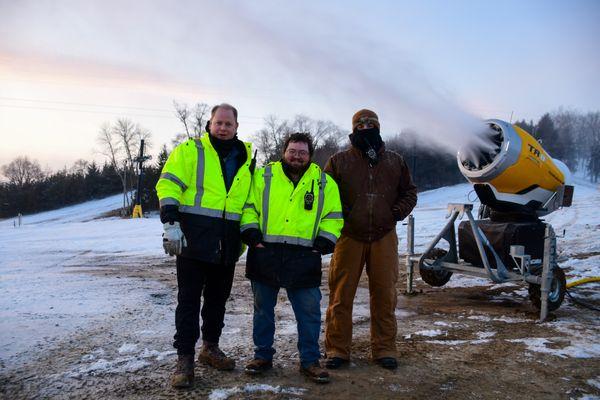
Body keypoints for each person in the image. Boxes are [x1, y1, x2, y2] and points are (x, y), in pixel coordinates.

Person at [156, 103, 254, 389]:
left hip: (227, 242)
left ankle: (210, 348)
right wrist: (171, 222)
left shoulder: (246, 157)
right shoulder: (190, 150)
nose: (223, 128)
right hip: (193, 240)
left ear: (237, 127)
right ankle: (184, 358)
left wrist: (247, 233)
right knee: (188, 300)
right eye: (218, 123)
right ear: (209, 124)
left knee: (217, 301)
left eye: (229, 124)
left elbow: (247, 200)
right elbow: (168, 184)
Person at [240, 133, 343, 383]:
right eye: (292, 151)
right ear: (283, 151)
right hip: (266, 252)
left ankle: (310, 361)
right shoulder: (263, 175)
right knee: (262, 310)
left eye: (302, 152)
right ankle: (262, 356)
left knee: (309, 313)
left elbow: (334, 214)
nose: (297, 156)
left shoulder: (323, 182)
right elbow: (248, 206)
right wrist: (251, 233)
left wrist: (324, 241)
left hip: (304, 256)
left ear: (310, 154)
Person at [324, 109, 417, 370]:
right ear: (354, 129)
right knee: (341, 295)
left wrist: (394, 214)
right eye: (360, 124)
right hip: (348, 236)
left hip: (384, 236)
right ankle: (337, 350)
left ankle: (385, 348)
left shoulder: (394, 161)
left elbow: (410, 192)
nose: (366, 127)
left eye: (371, 123)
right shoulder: (338, 161)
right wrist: (342, 217)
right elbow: (324, 193)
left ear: (378, 126)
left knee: (385, 294)